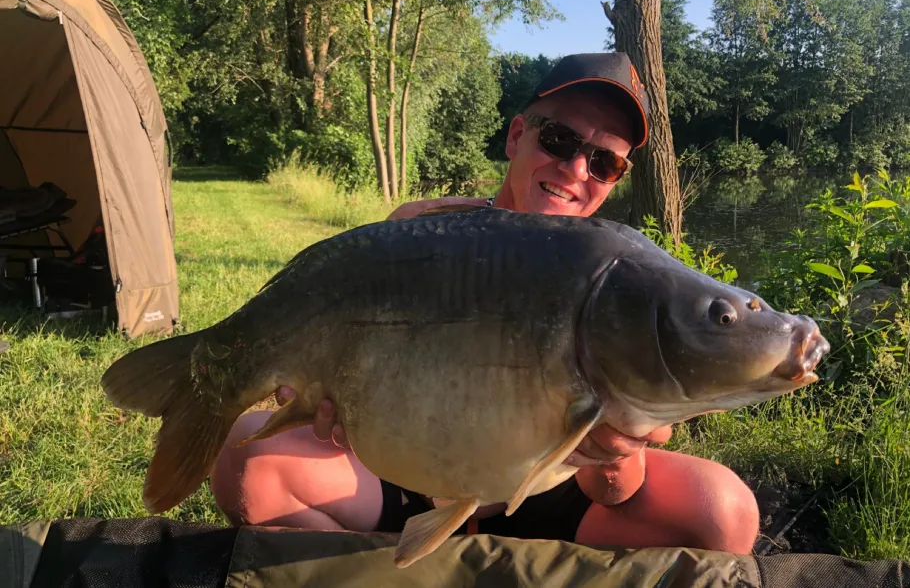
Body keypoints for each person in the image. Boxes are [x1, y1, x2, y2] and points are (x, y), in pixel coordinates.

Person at [209, 52, 760, 553]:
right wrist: (332, 401)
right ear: (518, 134)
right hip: (410, 477)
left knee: (725, 513)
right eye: (560, 141)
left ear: (616, 180)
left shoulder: (632, 288)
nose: (574, 170)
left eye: (604, 162)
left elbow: (615, 493)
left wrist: (616, 452)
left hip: (549, 491)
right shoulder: (422, 235)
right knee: (243, 460)